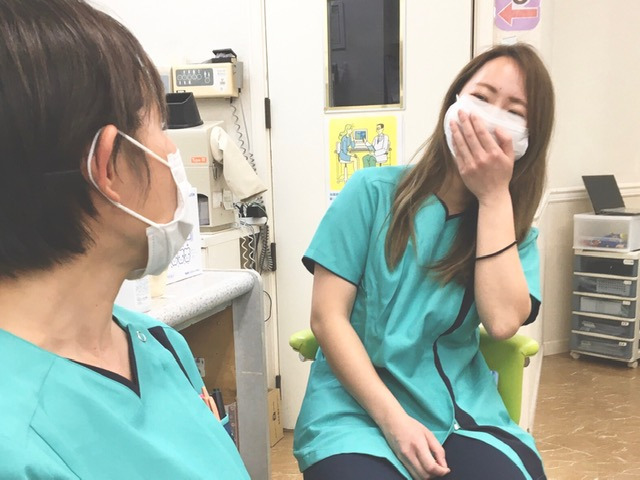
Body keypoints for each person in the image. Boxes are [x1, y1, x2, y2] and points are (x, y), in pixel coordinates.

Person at [0, 1, 250, 478]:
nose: (173, 150)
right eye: (161, 127)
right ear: (110, 165)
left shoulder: (158, 344)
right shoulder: (17, 447)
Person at [294, 43, 554, 480]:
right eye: (481, 98)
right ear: (454, 102)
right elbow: (327, 318)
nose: (489, 118)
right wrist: (396, 423)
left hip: (459, 411)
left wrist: (493, 196)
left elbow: (503, 322)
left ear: (529, 139)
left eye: (514, 112)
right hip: (353, 410)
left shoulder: (515, 234)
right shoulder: (371, 193)